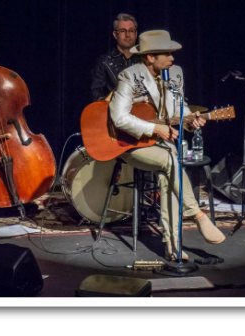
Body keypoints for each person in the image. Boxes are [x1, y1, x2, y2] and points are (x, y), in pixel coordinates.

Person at [109, 29, 225, 261]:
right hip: (130, 144)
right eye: (167, 53)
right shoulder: (129, 76)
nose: (172, 58)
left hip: (161, 147)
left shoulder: (175, 74)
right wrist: (154, 128)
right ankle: (197, 215)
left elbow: (178, 109)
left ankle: (173, 246)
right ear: (150, 57)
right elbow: (119, 118)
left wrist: (191, 120)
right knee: (171, 161)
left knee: (167, 172)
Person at [90, 13, 142, 101]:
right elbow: (96, 91)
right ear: (115, 34)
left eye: (131, 31)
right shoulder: (104, 61)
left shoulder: (144, 59)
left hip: (142, 111)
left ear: (136, 34)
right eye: (122, 31)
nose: (127, 35)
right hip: (113, 110)